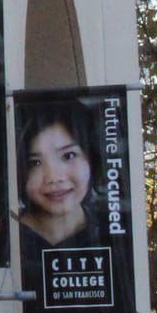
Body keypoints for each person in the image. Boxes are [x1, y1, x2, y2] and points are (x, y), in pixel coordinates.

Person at [16, 99, 107, 254]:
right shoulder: (4, 238)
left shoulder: (112, 233)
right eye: (35, 163)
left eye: (68, 155)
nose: (54, 178)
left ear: (92, 158)